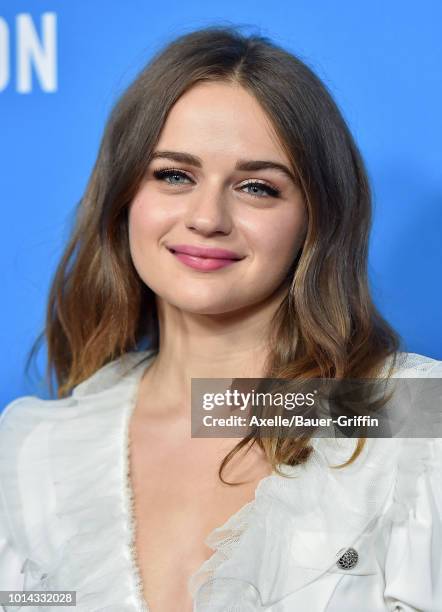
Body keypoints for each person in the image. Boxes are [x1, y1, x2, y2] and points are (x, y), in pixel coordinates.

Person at [0, 25, 441, 612]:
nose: (207, 217)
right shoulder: (33, 451)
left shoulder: (411, 417)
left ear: (317, 218)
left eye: (257, 187)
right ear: (124, 197)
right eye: (174, 175)